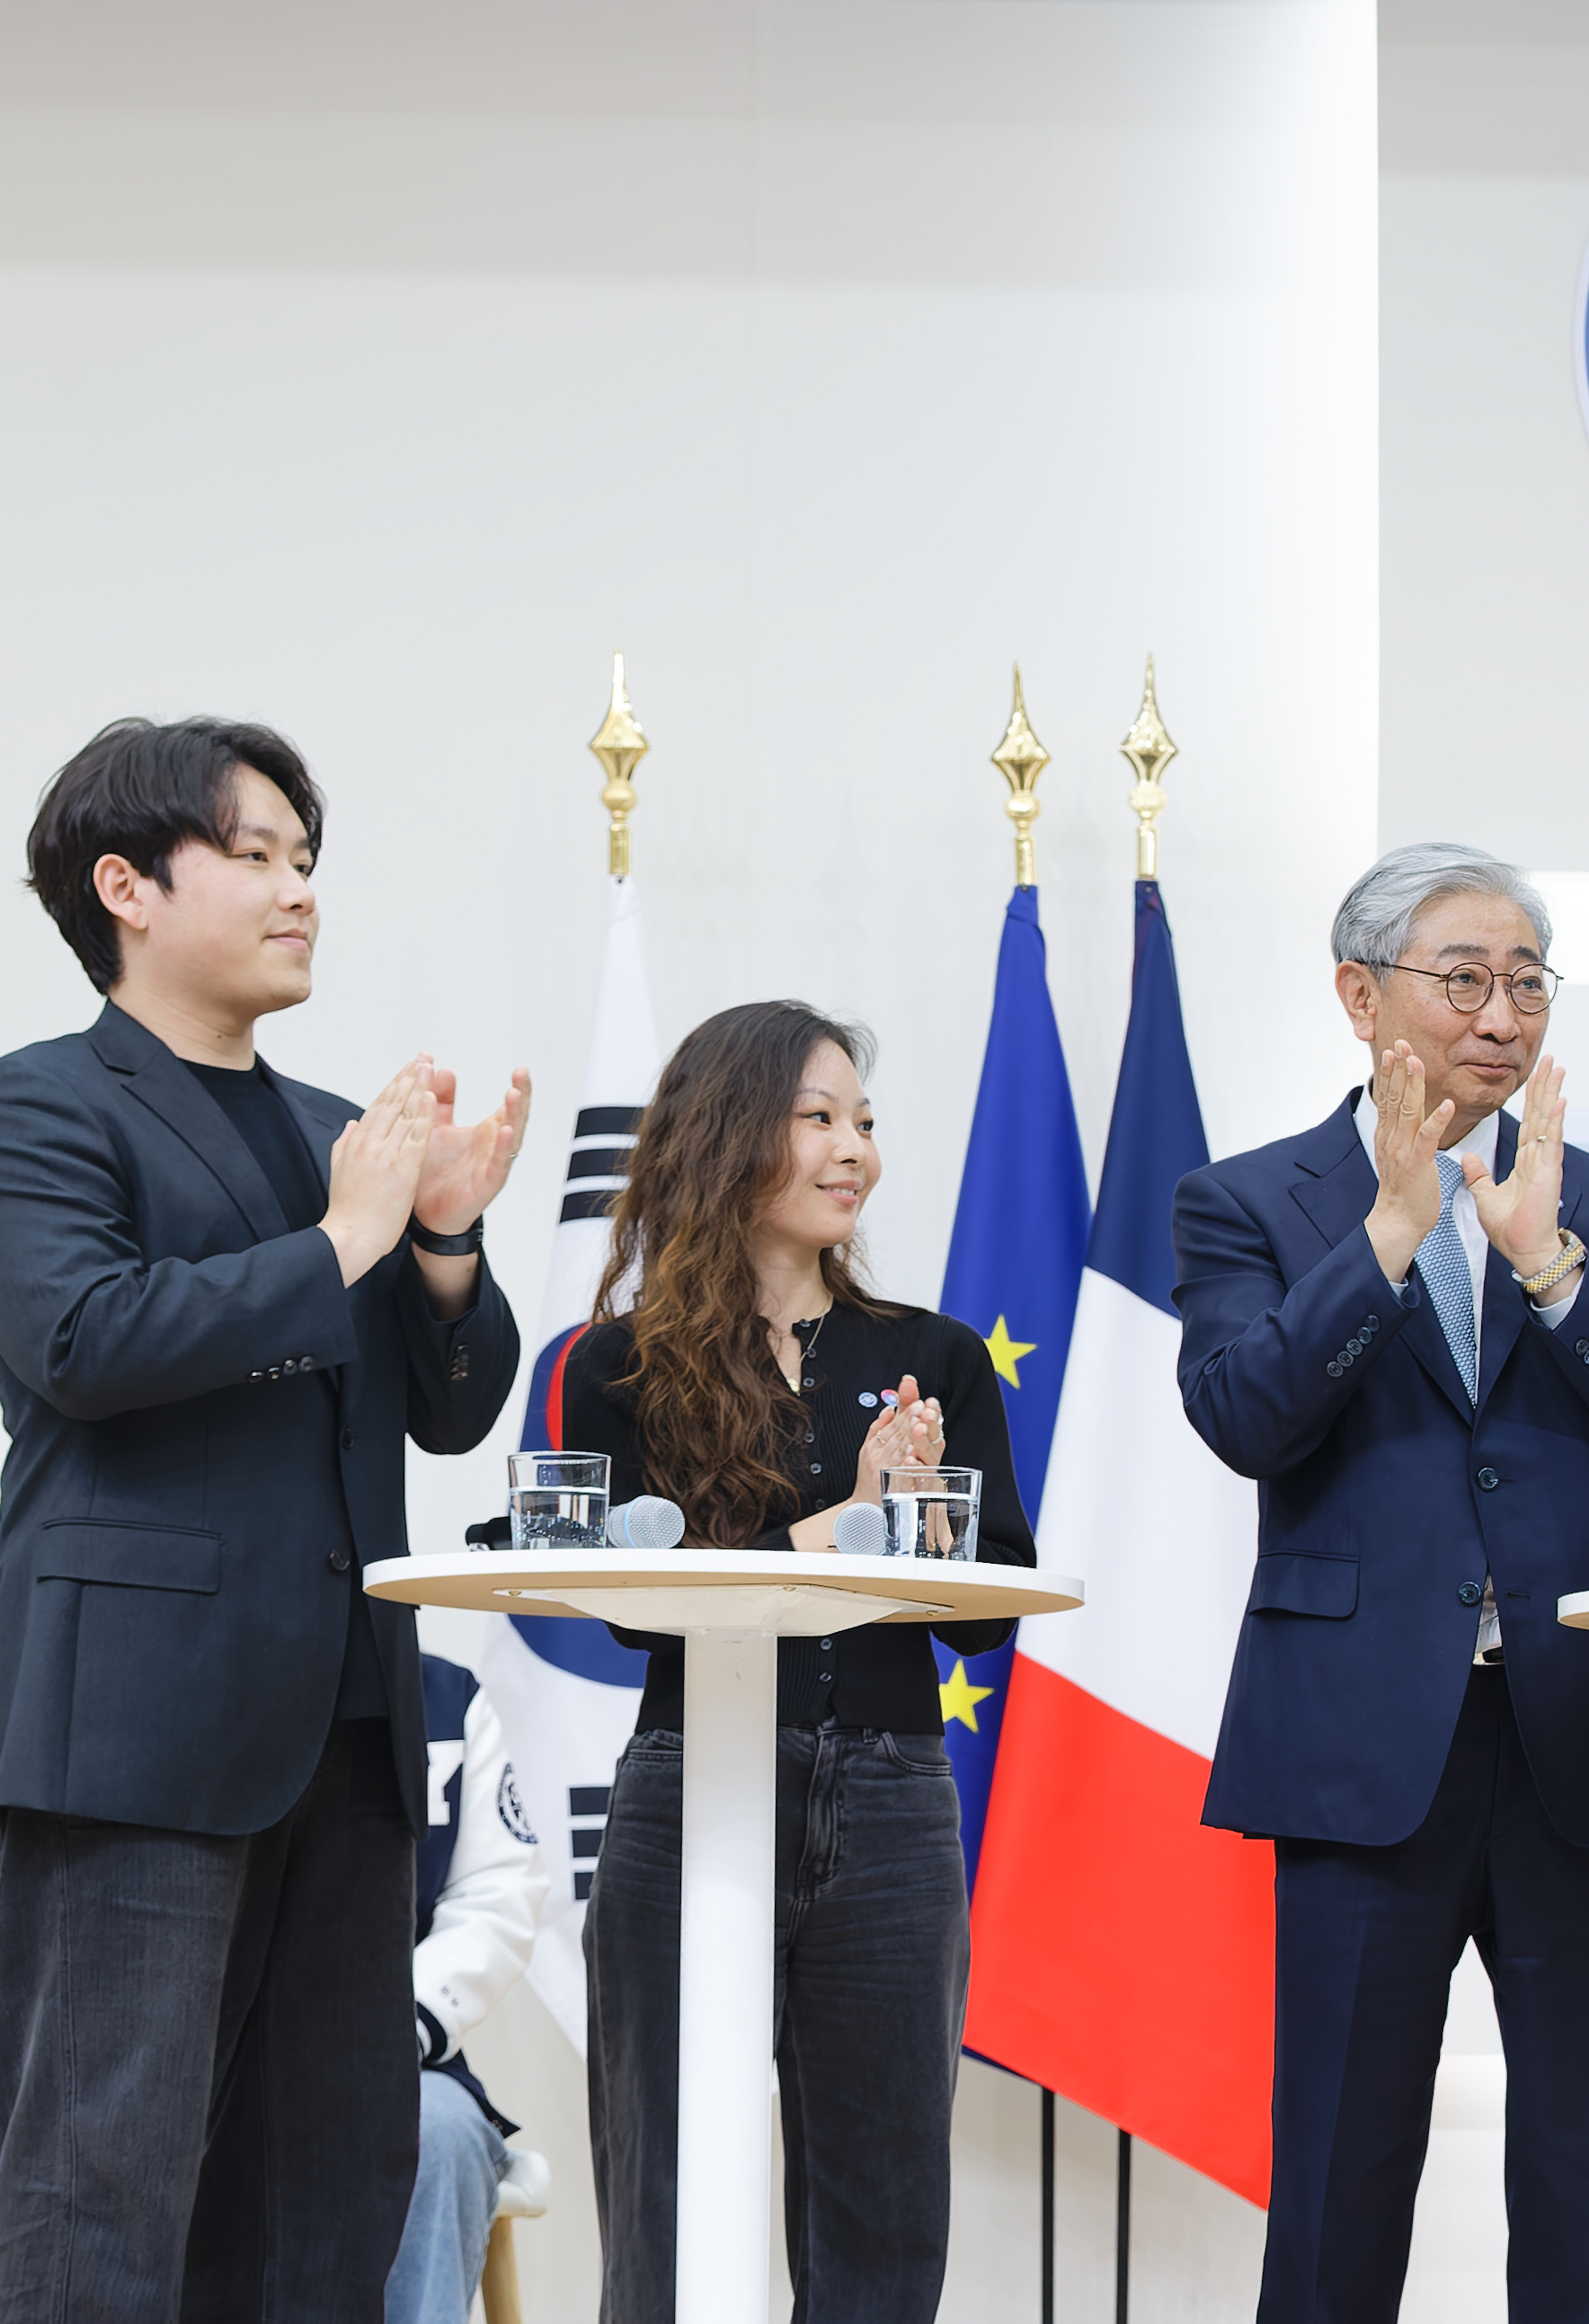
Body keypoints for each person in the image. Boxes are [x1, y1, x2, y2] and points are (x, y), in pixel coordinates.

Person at [0, 714, 525, 2321]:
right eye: (253, 854)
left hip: (351, 1734)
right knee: (99, 2194)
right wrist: (346, 1240)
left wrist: (442, 1244)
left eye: (306, 859)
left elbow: (449, 1407)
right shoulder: (42, 1106)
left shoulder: (333, 1134)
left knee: (325, 2201)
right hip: (139, 1733)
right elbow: (82, 1344)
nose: (300, 889)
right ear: (126, 887)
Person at [1176, 842, 1589, 2324]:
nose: (1501, 1016)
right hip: (1363, 1745)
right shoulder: (1251, 1200)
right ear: (1361, 997)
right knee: (1341, 2181)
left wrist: (1551, 1264)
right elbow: (1242, 1416)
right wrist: (1388, 1235)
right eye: (1466, 979)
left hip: (1578, 1739)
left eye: (1528, 984)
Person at [558, 1000, 1036, 2324]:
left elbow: (985, 1614)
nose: (853, 1149)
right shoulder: (619, 1364)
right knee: (661, 2203)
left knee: (884, 2215)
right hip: (688, 1794)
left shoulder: (932, 1357)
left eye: (863, 1121)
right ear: (726, 1135)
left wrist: (918, 1509)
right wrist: (844, 1524)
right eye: (817, 1117)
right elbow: (639, 1614)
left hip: (891, 1802)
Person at [388, 1653, 542, 2324]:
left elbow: (496, 1897)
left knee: (441, 2135)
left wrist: (393, 2030)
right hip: (219, 2048)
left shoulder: (448, 1699)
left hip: (404, 2055)